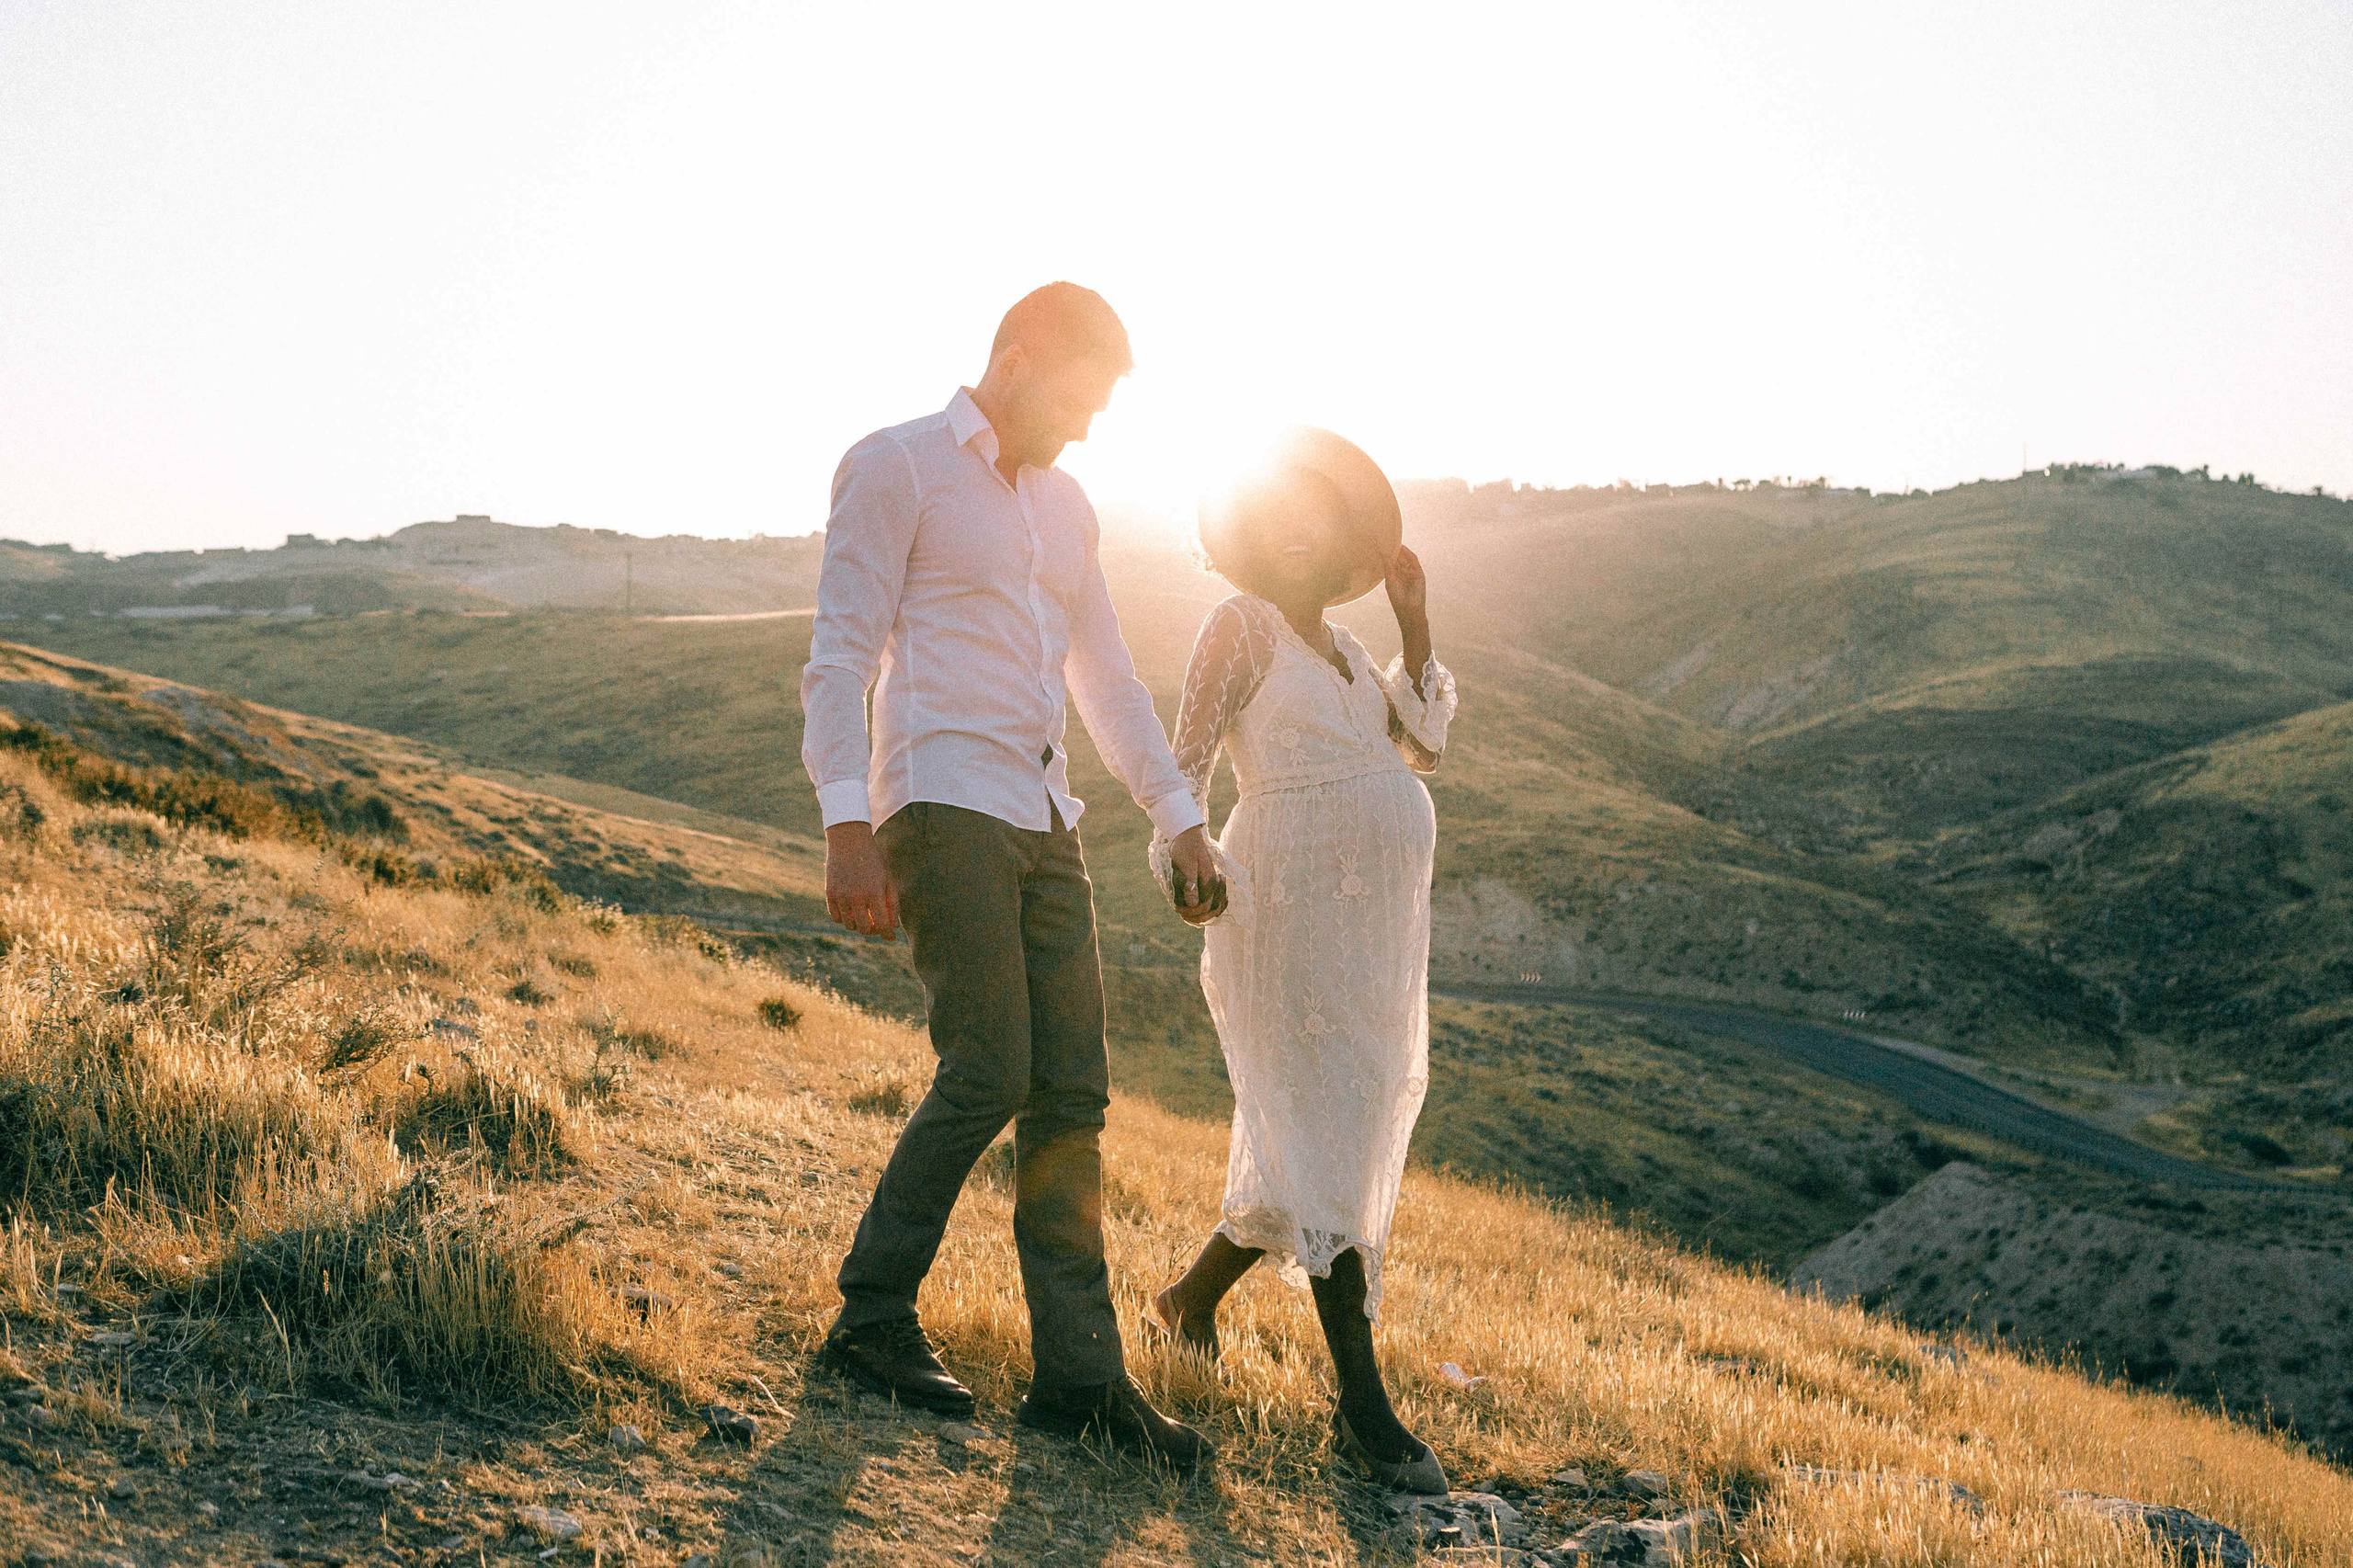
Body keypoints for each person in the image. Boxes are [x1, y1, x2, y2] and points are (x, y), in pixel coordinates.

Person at [799, 282, 1226, 1467]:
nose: (1088, 426)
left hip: (1045, 818)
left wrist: (1180, 817)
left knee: (1072, 1090)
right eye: (1082, 398)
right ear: (1019, 358)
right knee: (990, 1063)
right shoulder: (896, 464)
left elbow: (1108, 679)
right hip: (940, 801)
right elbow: (839, 652)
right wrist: (846, 821)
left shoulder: (1067, 507)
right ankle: (871, 1315)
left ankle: (1079, 1380)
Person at [1142, 430, 1457, 1494]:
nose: (1294, 531)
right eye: (1274, 513)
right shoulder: (1238, 626)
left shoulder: (1353, 652)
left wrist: (1415, 624)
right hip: (1285, 912)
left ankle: (1185, 1302)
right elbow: (1180, 769)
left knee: (1332, 1134)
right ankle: (1362, 1407)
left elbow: (1420, 747)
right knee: (1322, 1133)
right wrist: (1186, 864)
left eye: (1314, 518)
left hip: (1369, 934)